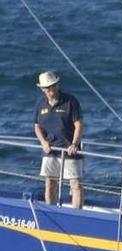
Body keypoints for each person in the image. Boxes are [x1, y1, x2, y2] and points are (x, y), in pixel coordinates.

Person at [33, 71, 85, 208]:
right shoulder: (40, 104)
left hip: (69, 149)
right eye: (48, 87)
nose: (51, 90)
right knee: (50, 183)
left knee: (76, 184)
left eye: (54, 86)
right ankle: (51, 210)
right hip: (50, 150)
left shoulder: (70, 101)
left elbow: (78, 124)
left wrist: (74, 144)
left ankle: (77, 214)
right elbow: (37, 126)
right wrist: (43, 142)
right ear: (43, 89)